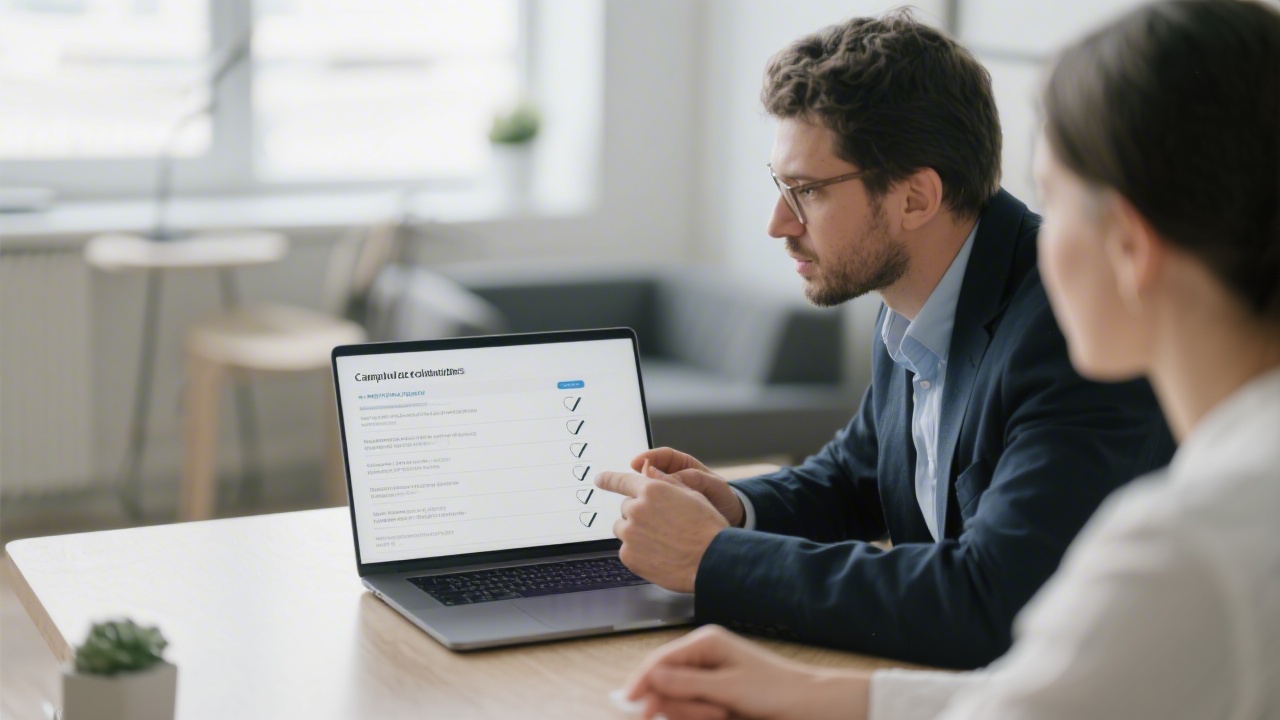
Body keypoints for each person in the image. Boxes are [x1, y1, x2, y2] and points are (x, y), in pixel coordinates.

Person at [617, 0, 1280, 717]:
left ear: (1130, 246)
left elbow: (995, 604)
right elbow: (862, 473)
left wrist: (716, 559)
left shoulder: (1179, 534)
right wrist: (733, 509)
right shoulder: (909, 304)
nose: (779, 223)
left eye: (805, 192)